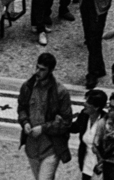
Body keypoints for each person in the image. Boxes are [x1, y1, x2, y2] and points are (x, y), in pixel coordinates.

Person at [18, 51, 74, 180]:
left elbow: (66, 122)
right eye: (37, 67)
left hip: (51, 147)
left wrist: (43, 128)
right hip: (32, 146)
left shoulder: (60, 92)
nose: (37, 72)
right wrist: (25, 122)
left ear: (51, 70)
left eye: (42, 69)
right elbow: (22, 108)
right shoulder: (27, 87)